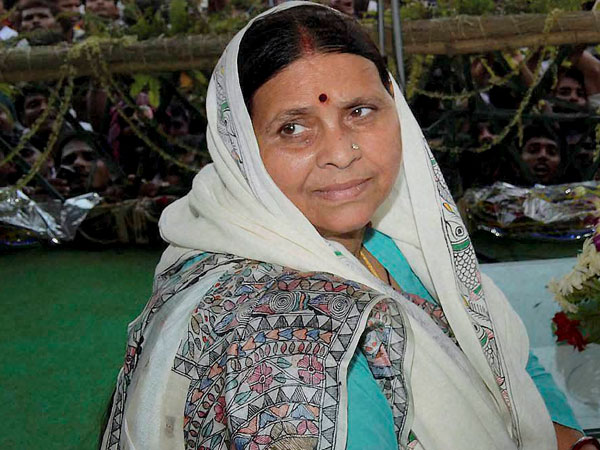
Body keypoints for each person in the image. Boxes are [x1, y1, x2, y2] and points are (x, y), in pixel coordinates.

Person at [101, 3, 597, 450]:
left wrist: (573, 442)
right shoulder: (284, 340)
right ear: (241, 150)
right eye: (293, 128)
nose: (340, 153)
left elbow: (505, 363)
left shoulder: (396, 243)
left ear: (396, 109)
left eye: (360, 112)